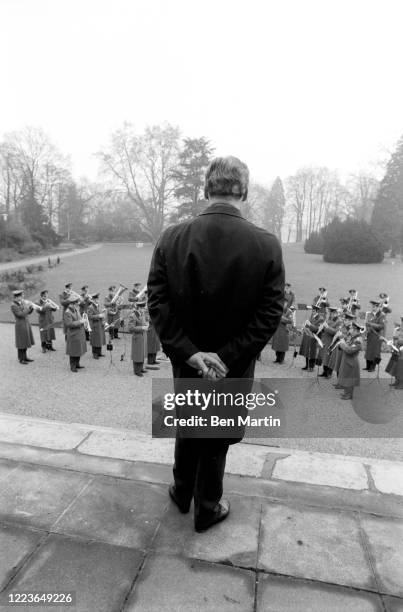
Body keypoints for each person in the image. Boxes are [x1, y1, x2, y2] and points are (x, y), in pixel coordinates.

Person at [147, 155, 284, 533]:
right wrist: (224, 358)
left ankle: (181, 491)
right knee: (217, 434)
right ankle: (207, 506)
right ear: (244, 189)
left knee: (189, 424)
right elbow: (269, 314)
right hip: (233, 365)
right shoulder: (266, 243)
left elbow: (157, 303)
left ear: (207, 189)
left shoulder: (172, 237)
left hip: (187, 361)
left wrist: (192, 354)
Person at [337, 321, 364, 400]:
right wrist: (341, 344)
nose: (350, 330)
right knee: (346, 376)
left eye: (351, 328)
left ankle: (349, 394)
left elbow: (350, 350)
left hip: (351, 361)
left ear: (356, 330)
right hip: (347, 359)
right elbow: (346, 346)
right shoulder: (352, 337)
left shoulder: (358, 340)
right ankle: (346, 392)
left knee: (350, 377)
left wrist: (342, 344)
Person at [11, 289, 35, 364]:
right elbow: (21, 314)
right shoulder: (13, 305)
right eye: (22, 296)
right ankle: (21, 359)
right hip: (20, 325)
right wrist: (28, 308)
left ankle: (25, 357)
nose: (23, 297)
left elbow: (27, 312)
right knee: (21, 343)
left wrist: (31, 308)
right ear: (17, 297)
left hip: (25, 323)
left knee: (25, 341)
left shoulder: (21, 302)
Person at [63, 294, 87, 372]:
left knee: (78, 350)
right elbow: (69, 324)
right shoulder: (68, 312)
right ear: (73, 303)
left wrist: (83, 321)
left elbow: (79, 318)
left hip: (79, 333)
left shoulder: (75, 309)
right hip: (73, 334)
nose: (78, 304)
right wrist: (80, 322)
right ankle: (72, 366)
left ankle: (77, 364)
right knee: (73, 351)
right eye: (77, 302)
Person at [318, 306, 341, 378]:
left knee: (330, 358)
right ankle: (324, 372)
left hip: (331, 342)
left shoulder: (339, 321)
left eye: (332, 313)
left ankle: (329, 373)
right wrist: (321, 328)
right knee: (324, 357)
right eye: (330, 313)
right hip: (325, 340)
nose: (330, 314)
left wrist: (327, 327)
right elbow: (325, 329)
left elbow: (335, 332)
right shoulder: (328, 319)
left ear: (336, 313)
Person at [299, 305, 324, 371]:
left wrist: (310, 325)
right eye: (312, 311)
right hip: (308, 336)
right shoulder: (311, 317)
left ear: (317, 311)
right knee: (307, 351)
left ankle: (311, 366)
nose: (312, 312)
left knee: (312, 352)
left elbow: (317, 329)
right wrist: (304, 327)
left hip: (314, 338)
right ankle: (307, 365)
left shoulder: (320, 318)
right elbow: (307, 325)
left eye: (314, 311)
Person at [364, 300, 386, 372]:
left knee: (375, 352)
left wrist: (371, 324)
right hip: (370, 335)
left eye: (375, 306)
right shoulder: (369, 314)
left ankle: (373, 367)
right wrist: (366, 329)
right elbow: (367, 324)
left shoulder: (382, 315)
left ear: (378, 307)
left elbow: (381, 326)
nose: (373, 308)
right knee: (369, 351)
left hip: (377, 336)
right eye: (373, 306)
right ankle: (368, 366)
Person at [128, 301, 148, 376]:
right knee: (137, 354)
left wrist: (146, 325)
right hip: (137, 337)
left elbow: (143, 323)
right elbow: (131, 328)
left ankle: (141, 368)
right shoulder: (133, 315)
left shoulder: (141, 314)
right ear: (139, 308)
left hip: (142, 336)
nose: (144, 309)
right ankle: (136, 371)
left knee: (142, 353)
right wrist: (142, 327)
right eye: (142, 308)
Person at [87, 293, 106, 359]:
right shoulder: (90, 307)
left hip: (100, 324)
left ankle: (99, 352)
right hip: (95, 325)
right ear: (93, 300)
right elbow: (89, 316)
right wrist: (99, 315)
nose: (97, 300)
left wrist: (102, 312)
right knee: (95, 340)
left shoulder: (98, 305)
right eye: (95, 299)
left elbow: (100, 313)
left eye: (97, 299)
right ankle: (94, 353)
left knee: (99, 339)